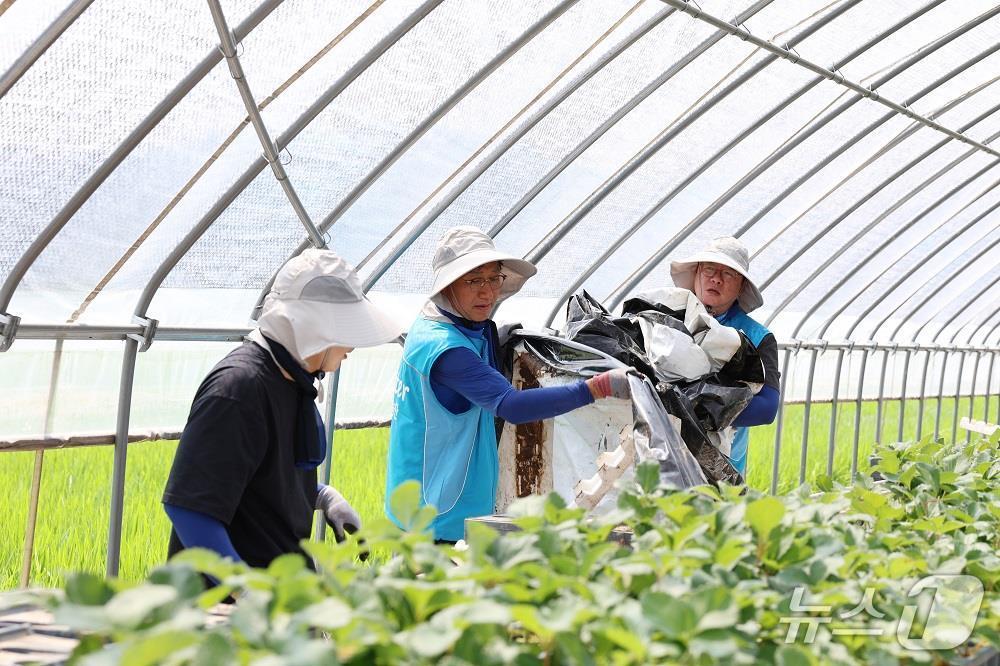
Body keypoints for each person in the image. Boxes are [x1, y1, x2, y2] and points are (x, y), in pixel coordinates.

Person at [385, 227, 630, 542]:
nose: (487, 292)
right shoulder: (445, 348)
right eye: (474, 280)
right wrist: (597, 388)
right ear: (447, 286)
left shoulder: (455, 326)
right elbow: (512, 406)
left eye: (493, 278)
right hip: (439, 516)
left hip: (428, 498)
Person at [162, 249, 404, 567]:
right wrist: (244, 590)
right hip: (226, 605)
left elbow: (260, 480)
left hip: (278, 594)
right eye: (345, 333)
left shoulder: (290, 383)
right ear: (315, 330)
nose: (350, 348)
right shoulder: (238, 389)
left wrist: (321, 496)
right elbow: (190, 509)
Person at [669, 236, 780, 476]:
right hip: (664, 460)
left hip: (721, 469)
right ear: (697, 273)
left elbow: (767, 408)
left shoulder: (757, 337)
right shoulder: (668, 320)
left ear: (741, 286)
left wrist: (696, 405)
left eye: (728, 274)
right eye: (710, 268)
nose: (716, 278)